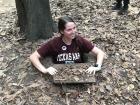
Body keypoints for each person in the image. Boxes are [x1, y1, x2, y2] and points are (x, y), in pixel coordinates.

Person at [30, 16, 105, 75]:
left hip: (79, 74)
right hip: (60, 75)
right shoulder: (54, 43)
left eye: (74, 28)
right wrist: (45, 70)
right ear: (62, 31)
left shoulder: (79, 40)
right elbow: (33, 57)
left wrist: (97, 66)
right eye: (69, 30)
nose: (73, 32)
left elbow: (100, 52)